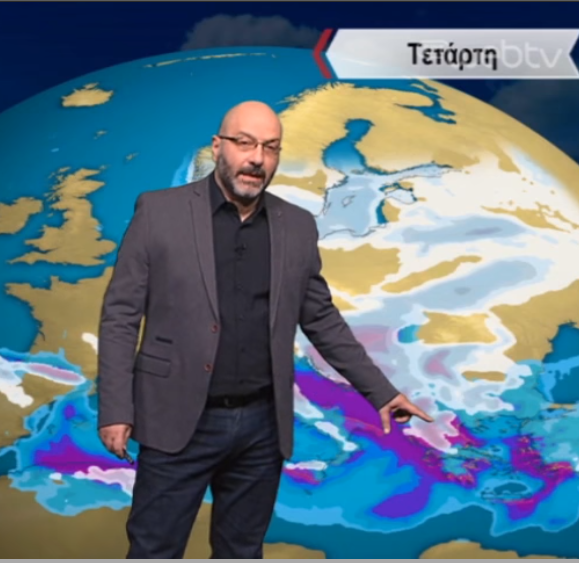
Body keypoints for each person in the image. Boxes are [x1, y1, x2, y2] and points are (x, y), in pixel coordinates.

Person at [96, 100, 433, 559]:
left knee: (242, 551)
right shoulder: (158, 212)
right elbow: (121, 314)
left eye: (270, 148)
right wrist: (116, 409)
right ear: (218, 147)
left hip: (261, 429)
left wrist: (381, 392)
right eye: (245, 143)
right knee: (154, 550)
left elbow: (320, 319)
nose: (257, 158)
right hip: (175, 419)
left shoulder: (297, 226)